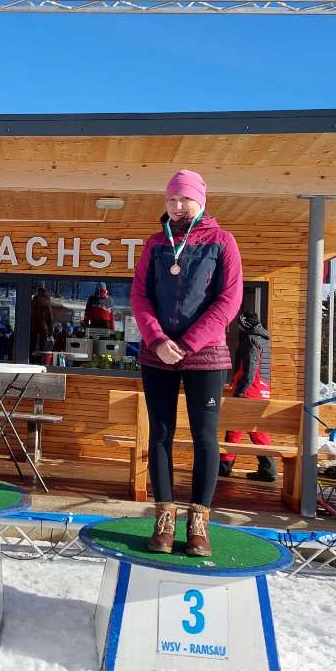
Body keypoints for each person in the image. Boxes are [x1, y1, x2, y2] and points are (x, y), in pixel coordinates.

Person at [131, 170, 242, 556]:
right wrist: (158, 339)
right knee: (159, 435)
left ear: (200, 201)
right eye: (171, 200)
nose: (177, 207)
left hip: (206, 356)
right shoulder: (155, 245)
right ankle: (164, 521)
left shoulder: (222, 242)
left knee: (204, 438)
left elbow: (228, 301)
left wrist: (191, 342)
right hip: (157, 356)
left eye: (184, 199)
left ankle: (198, 526)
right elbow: (140, 298)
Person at [220, 311, 276, 481]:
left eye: (240, 323)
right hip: (262, 391)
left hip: (249, 392)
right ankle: (269, 470)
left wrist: (239, 392)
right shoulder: (264, 341)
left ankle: (223, 469)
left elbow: (250, 371)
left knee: (234, 431)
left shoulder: (251, 340)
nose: (238, 326)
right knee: (258, 432)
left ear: (245, 323)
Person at [30, 286, 54, 357]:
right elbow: (50, 317)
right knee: (42, 346)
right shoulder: (46, 301)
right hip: (43, 325)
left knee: (32, 344)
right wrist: (51, 331)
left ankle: (31, 358)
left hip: (33, 325)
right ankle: (41, 359)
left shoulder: (33, 301)